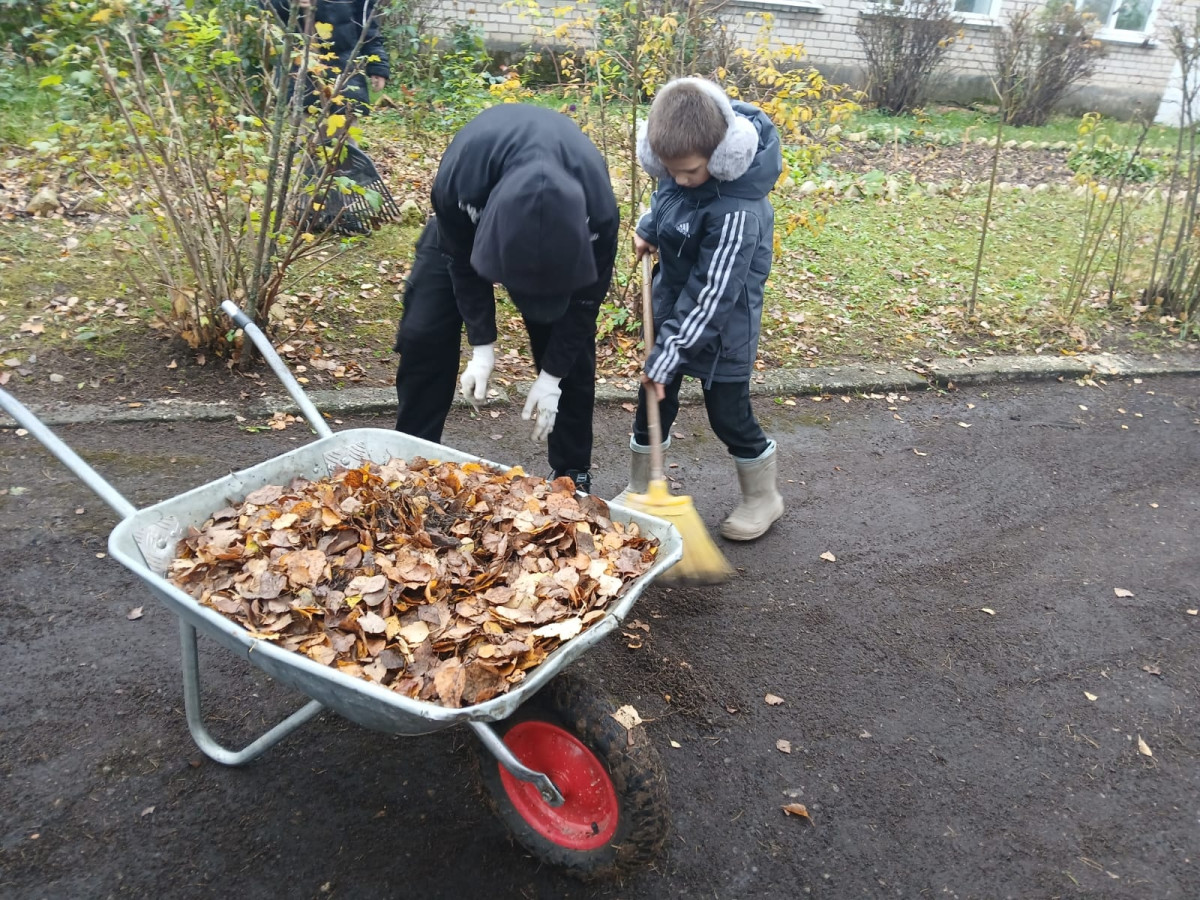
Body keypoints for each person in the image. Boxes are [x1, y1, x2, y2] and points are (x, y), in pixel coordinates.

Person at [393, 105, 620, 493]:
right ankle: (412, 460)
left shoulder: (599, 212)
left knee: (570, 353)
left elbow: (584, 305)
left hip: (566, 233)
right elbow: (460, 265)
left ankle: (572, 475)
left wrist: (552, 378)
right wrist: (483, 346)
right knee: (423, 331)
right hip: (466, 225)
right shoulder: (461, 178)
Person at [620, 77, 785, 540]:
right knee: (653, 398)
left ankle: (763, 497)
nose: (678, 178)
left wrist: (667, 353)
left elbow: (713, 295)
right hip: (674, 317)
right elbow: (670, 196)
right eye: (668, 168)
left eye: (689, 170)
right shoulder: (681, 172)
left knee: (727, 415)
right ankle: (640, 490)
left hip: (721, 329)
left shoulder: (738, 211)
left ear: (722, 156)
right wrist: (651, 226)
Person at [267, 0, 390, 111]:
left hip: (346, 72)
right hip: (300, 72)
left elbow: (367, 25)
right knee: (305, 132)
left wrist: (378, 66)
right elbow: (266, 7)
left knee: (346, 131)